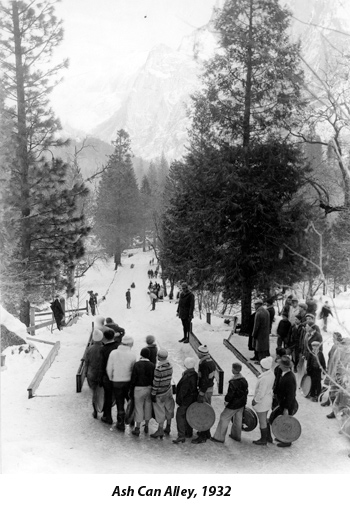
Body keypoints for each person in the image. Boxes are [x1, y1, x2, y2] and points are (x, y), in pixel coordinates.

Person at [211, 362, 248, 444]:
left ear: (234, 370)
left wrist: (226, 401)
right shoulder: (244, 380)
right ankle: (236, 436)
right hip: (241, 403)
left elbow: (230, 394)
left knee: (224, 417)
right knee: (238, 420)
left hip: (233, 404)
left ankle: (219, 437)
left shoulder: (233, 382)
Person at [106, 335, 137, 431]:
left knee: (119, 402)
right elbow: (133, 370)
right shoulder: (132, 355)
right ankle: (131, 418)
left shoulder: (113, 353)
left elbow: (109, 368)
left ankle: (121, 423)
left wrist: (111, 378)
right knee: (130, 401)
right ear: (129, 344)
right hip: (128, 382)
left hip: (116, 382)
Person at [192, 345, 216, 444]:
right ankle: (207, 432)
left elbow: (204, 380)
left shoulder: (204, 364)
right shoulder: (211, 361)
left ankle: (202, 436)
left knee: (203, 412)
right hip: (209, 390)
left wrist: (201, 393)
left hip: (205, 391)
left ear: (201, 354)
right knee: (207, 410)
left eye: (198, 353)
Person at [273, 355, 297, 448]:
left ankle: (287, 441)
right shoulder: (285, 374)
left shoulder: (289, 378)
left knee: (287, 423)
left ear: (284, 366)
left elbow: (290, 395)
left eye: (280, 365)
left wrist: (286, 408)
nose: (279, 366)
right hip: (282, 403)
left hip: (287, 404)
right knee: (282, 421)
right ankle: (282, 437)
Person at [129, 347, 155, 436]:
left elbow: (133, 379)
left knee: (138, 408)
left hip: (138, 389)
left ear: (141, 354)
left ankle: (137, 428)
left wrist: (131, 390)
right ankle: (147, 425)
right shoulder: (152, 365)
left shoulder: (136, 364)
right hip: (148, 388)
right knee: (148, 407)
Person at [150, 349, 175, 439]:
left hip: (160, 393)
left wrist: (153, 393)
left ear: (158, 357)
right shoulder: (170, 366)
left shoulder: (158, 369)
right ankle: (168, 426)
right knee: (169, 408)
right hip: (168, 390)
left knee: (160, 411)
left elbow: (156, 383)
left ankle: (160, 429)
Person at [172, 357, 198, 444]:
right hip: (192, 399)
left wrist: (179, 401)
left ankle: (181, 435)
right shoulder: (195, 374)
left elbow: (183, 390)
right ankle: (188, 432)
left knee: (180, 416)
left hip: (185, 400)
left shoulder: (187, 376)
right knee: (188, 415)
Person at [252, 356, 275, 445]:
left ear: (262, 367)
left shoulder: (264, 378)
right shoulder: (271, 374)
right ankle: (268, 437)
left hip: (262, 402)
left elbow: (261, 393)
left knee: (262, 421)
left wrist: (255, 400)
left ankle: (263, 439)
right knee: (264, 419)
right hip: (268, 399)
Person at [99, 329, 120, 425]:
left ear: (105, 338)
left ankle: (108, 417)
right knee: (120, 397)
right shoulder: (118, 346)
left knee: (108, 397)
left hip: (107, 377)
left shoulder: (103, 349)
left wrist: (100, 378)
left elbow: (101, 365)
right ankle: (121, 420)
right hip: (119, 376)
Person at [85, 328, 104, 419]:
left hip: (91, 374)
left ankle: (95, 411)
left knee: (94, 393)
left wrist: (86, 373)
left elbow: (86, 362)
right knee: (102, 393)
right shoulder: (104, 349)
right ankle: (103, 410)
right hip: (101, 374)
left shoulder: (89, 349)